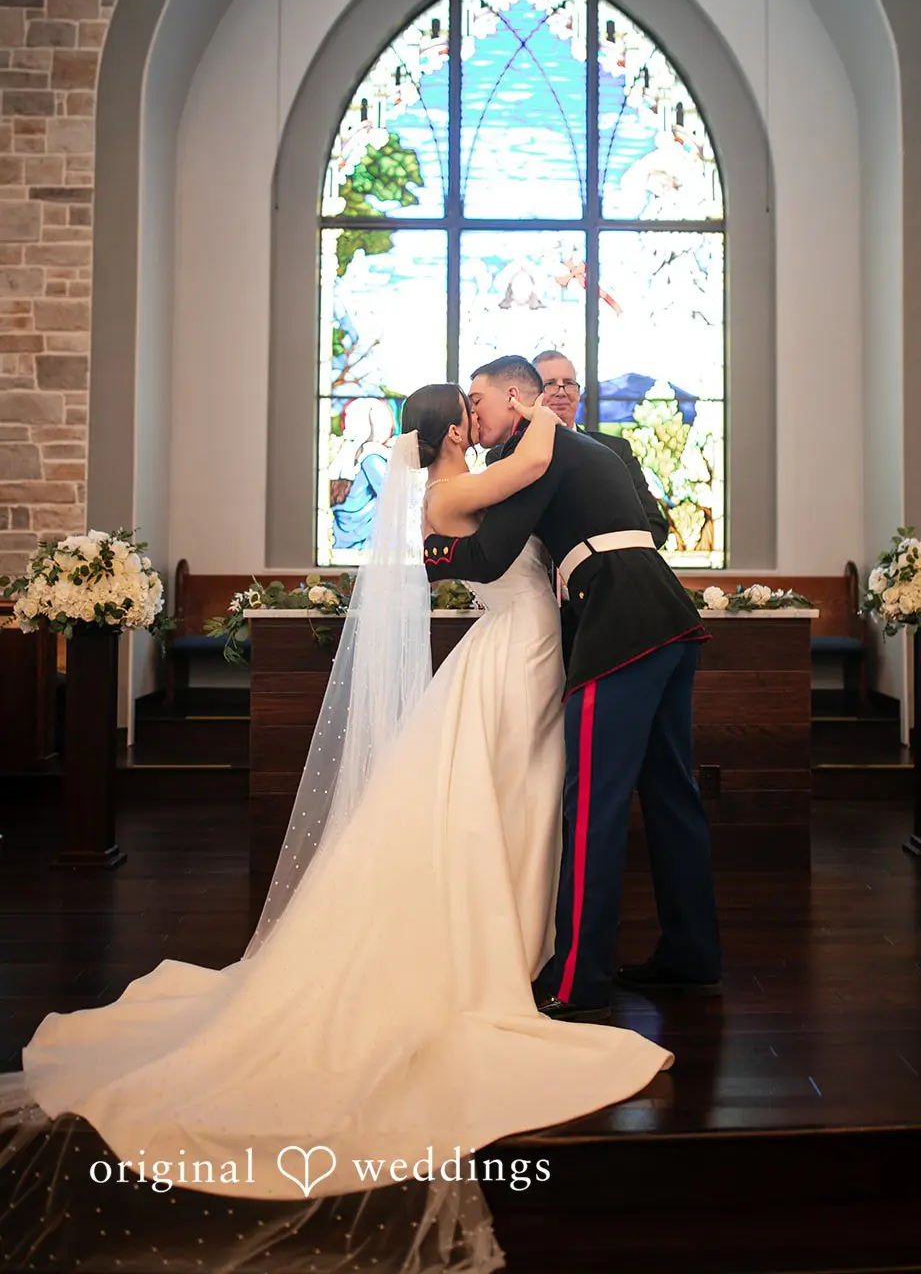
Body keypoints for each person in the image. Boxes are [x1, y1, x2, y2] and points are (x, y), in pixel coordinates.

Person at [0, 384, 673, 1267]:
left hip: (528, 645)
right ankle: (499, 938)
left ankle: (519, 929)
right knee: (503, 793)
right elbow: (536, 475)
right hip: (518, 650)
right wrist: (541, 405)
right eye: (472, 409)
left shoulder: (469, 483)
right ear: (453, 430)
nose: (484, 416)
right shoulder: (459, 486)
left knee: (511, 795)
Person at [425, 355, 723, 1025]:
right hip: (664, 618)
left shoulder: (542, 444)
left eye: (476, 401)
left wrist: (421, 553)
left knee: (591, 805)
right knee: (672, 794)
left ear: (512, 398)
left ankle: (581, 979)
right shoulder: (583, 446)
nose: (472, 416)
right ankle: (691, 954)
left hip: (618, 627)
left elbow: (489, 555)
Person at [531, 350, 669, 549]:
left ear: (578, 392)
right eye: (550, 384)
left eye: (569, 383)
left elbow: (654, 525)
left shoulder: (616, 450)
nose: (561, 391)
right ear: (533, 394)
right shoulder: (511, 455)